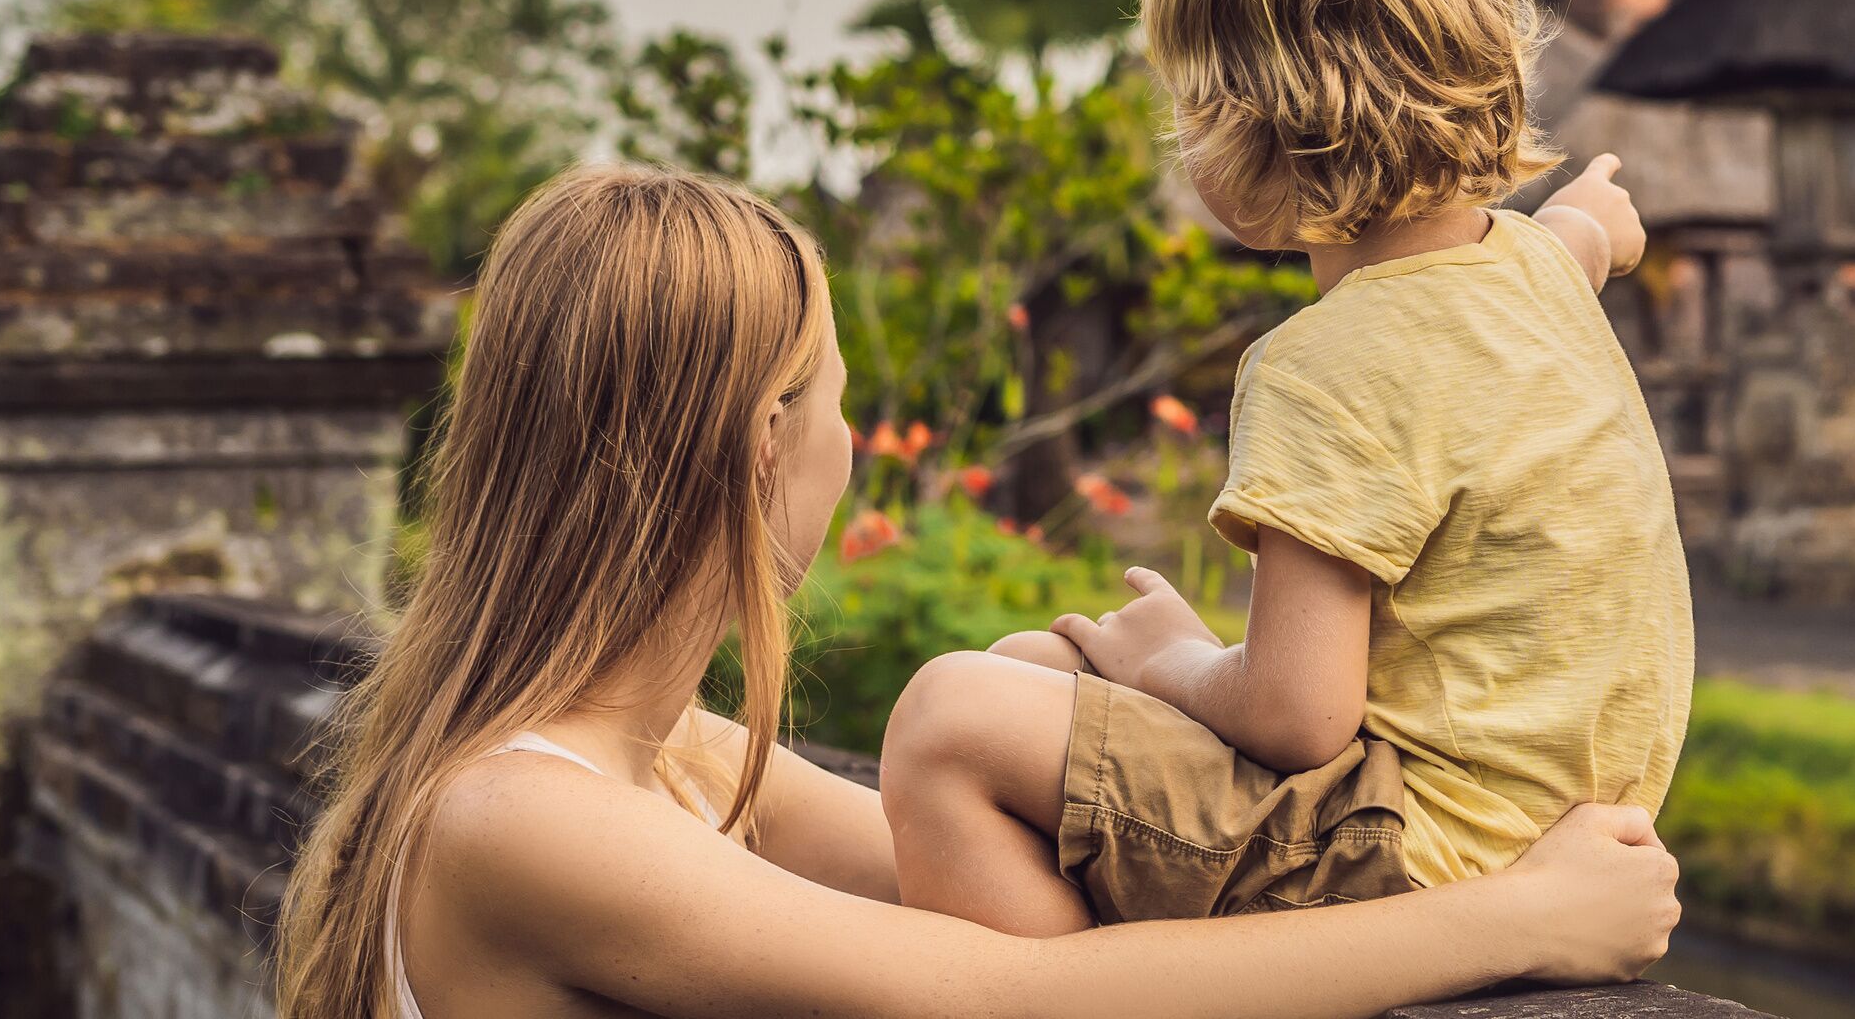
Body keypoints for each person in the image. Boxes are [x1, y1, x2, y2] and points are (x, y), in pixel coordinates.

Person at [272, 166, 1679, 1019]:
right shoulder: (525, 814)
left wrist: (1064, 713)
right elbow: (1005, 997)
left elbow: (1047, 915)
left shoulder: (680, 761)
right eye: (833, 393)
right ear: (769, 443)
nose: (841, 434)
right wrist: (1517, 923)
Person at [876, 0, 1693, 934]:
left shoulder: (1332, 361)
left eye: (1189, 107)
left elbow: (1299, 715)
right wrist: (1598, 212)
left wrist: (1172, 660)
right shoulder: (1533, 272)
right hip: (1551, 820)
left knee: (952, 718)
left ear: (1259, 121)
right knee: (1035, 665)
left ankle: (1069, 994)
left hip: (1419, 852)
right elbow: (1577, 240)